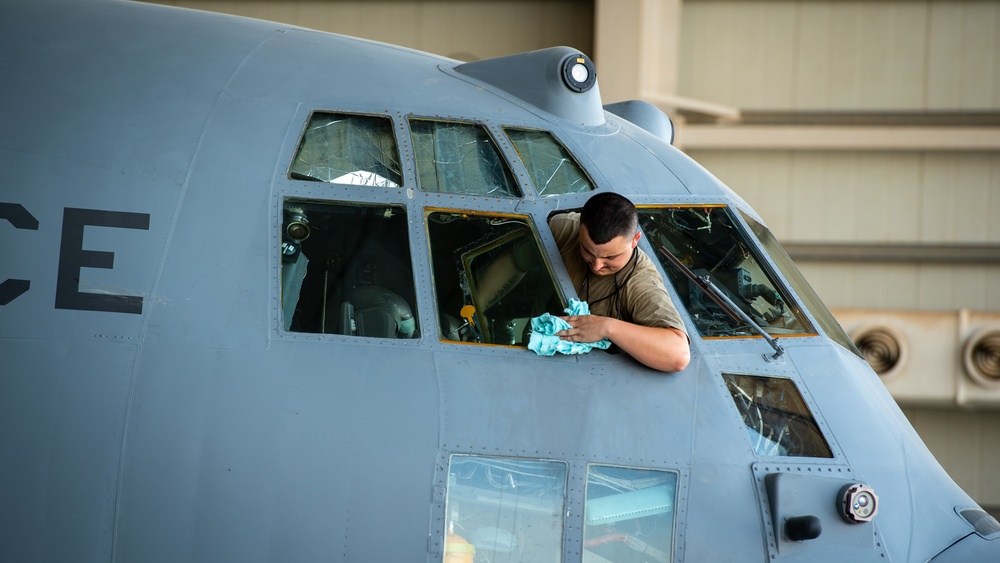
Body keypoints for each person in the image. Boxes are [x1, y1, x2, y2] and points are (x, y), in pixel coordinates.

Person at [549, 192, 690, 372]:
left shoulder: (640, 282)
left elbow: (678, 354)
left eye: (611, 257)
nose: (597, 265)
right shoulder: (564, 228)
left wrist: (607, 327)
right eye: (588, 252)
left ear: (635, 240)